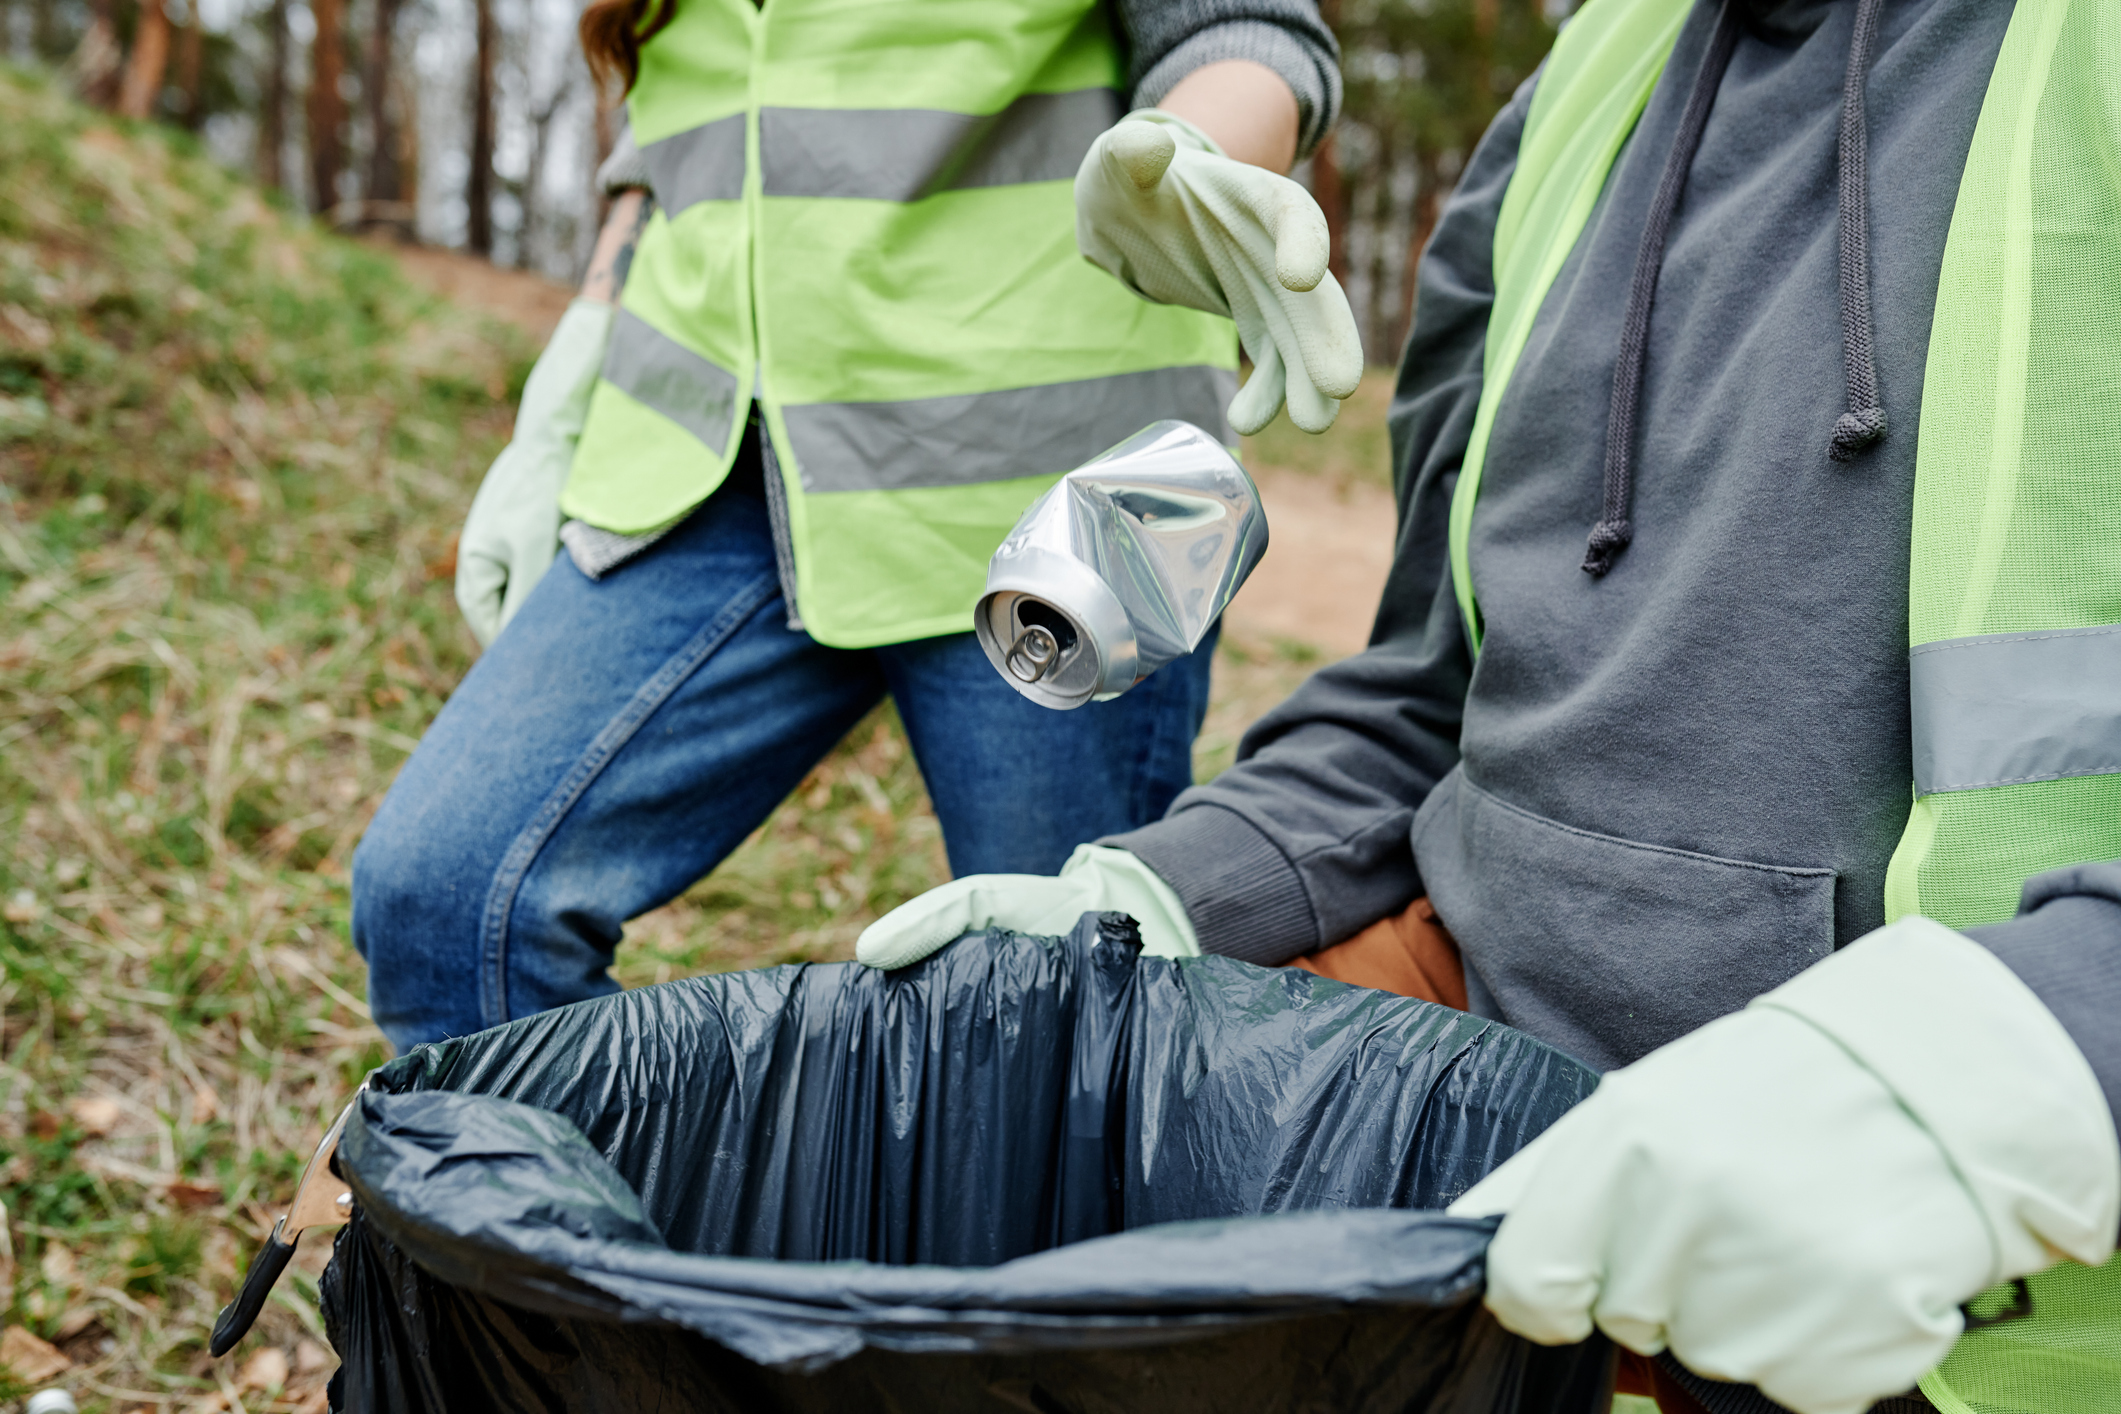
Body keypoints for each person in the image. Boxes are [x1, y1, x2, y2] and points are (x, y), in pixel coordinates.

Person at [857, 1, 2121, 1412]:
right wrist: (1154, 897)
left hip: (1931, 1226)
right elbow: (1424, 691)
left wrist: (2034, 1053)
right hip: (1475, 1042)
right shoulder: (1589, 81)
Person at [349, 0, 1363, 1050]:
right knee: (449, 905)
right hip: (703, 470)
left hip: (1048, 496)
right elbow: (705, 104)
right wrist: (587, 337)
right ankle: (656, 1218)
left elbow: (1243, 30)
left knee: (1071, 1032)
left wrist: (1189, 159)